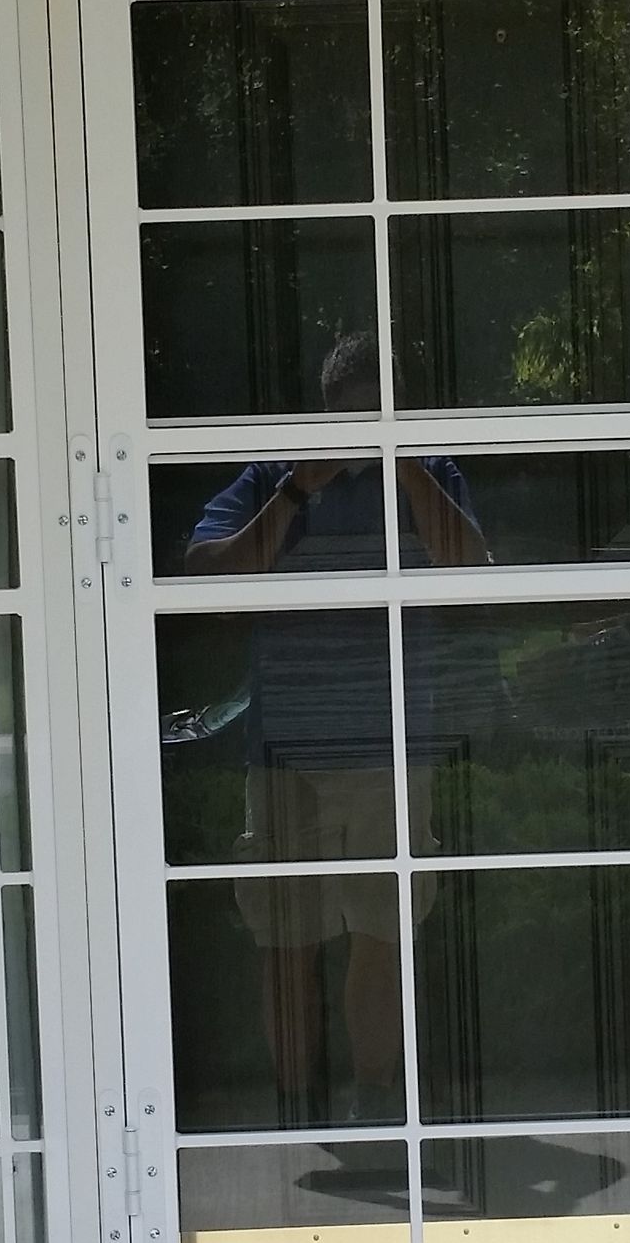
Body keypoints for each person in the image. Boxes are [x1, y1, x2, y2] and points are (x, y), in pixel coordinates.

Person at [184, 332, 485, 1126]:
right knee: (284, 937)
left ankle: (374, 1104)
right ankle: (296, 1110)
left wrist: (405, 464)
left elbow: (471, 570)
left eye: (382, 413)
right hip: (285, 747)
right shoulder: (272, 477)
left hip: (390, 743)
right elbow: (203, 579)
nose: (366, 429)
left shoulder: (431, 472)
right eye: (354, 414)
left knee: (383, 929)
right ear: (325, 411)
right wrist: (295, 490)